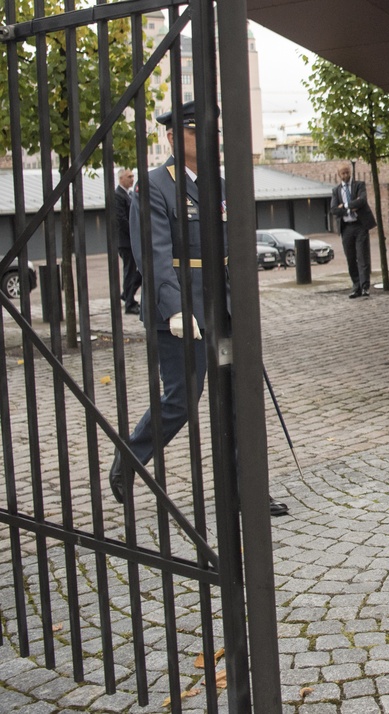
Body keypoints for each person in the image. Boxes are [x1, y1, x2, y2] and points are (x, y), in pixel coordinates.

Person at [108, 100, 289, 517]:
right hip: (180, 314)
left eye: (213, 132)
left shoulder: (219, 185)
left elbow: (232, 251)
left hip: (222, 309)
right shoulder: (155, 185)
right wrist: (174, 308)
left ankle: (246, 492)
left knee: (240, 399)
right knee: (182, 401)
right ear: (172, 137)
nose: (210, 139)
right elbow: (152, 254)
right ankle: (129, 459)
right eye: (196, 131)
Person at [330, 162, 376, 298]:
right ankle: (356, 286)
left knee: (362, 257)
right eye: (343, 173)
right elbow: (333, 209)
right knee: (351, 258)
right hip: (346, 228)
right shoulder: (336, 190)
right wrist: (349, 208)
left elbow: (362, 201)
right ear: (339, 174)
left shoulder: (359, 185)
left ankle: (365, 287)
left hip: (360, 225)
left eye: (347, 172)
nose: (346, 175)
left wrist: (344, 205)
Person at [115, 167, 141, 315]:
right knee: (130, 270)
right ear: (121, 179)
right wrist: (135, 232)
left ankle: (127, 294)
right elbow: (121, 219)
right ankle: (129, 302)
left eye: (132, 176)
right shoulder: (118, 195)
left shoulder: (129, 195)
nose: (132, 179)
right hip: (126, 241)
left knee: (137, 270)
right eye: (129, 176)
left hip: (131, 240)